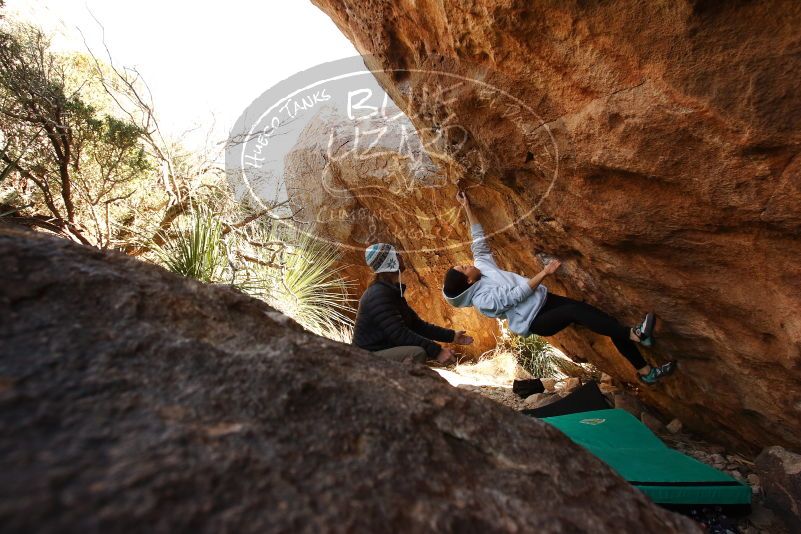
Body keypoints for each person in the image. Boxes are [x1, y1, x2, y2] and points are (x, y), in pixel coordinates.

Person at [442, 191, 675, 385]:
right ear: (469, 282)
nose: (465, 265)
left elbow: (478, 241)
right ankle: (636, 334)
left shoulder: (481, 267)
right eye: (463, 269)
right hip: (536, 320)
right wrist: (544, 273)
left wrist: (467, 206)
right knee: (575, 312)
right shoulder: (483, 301)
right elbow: (515, 296)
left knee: (602, 319)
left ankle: (646, 371)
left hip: (545, 300)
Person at [353, 242, 473, 366]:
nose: (400, 255)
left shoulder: (390, 291)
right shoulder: (378, 295)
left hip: (378, 352)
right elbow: (399, 334)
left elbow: (416, 325)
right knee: (416, 353)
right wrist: (437, 352)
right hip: (365, 359)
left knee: (417, 351)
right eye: (396, 254)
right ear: (390, 261)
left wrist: (451, 336)